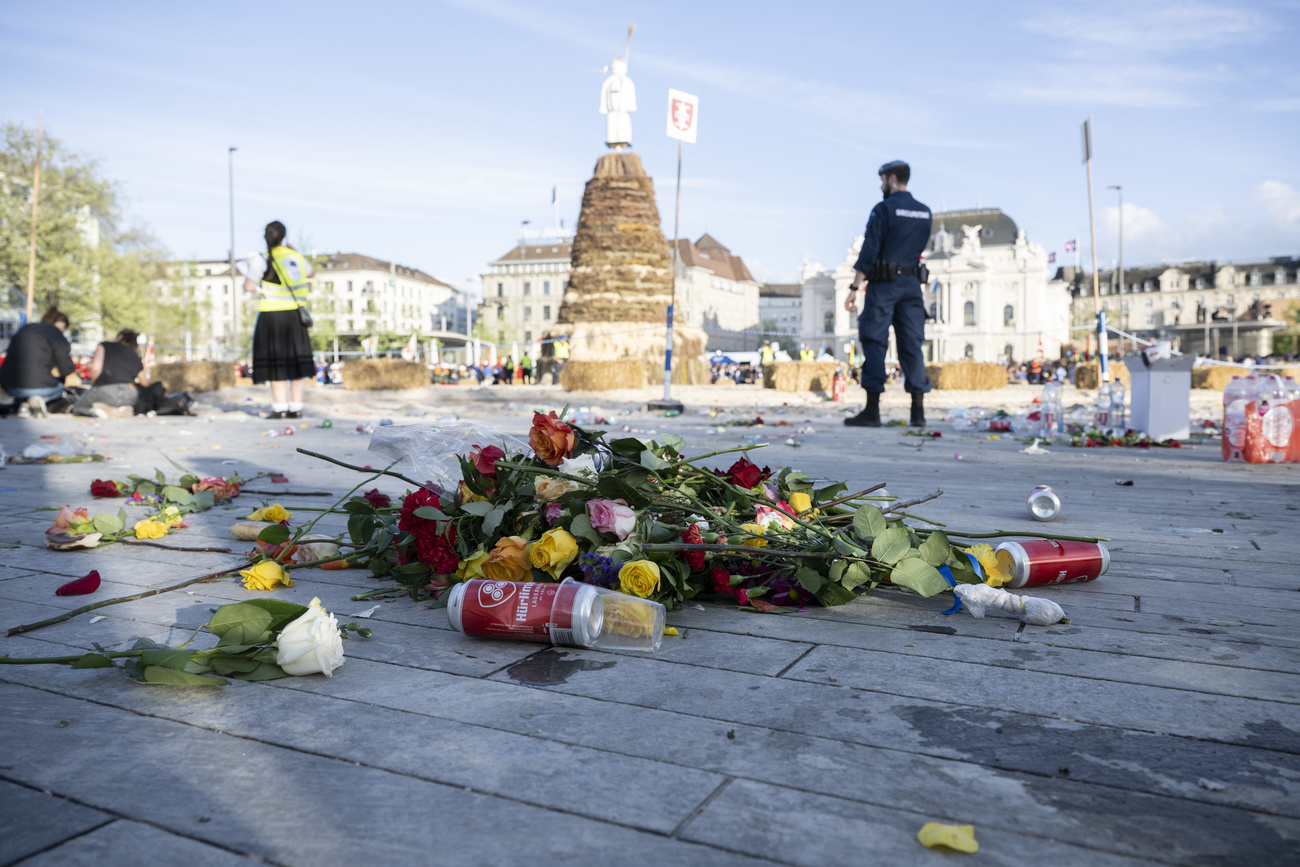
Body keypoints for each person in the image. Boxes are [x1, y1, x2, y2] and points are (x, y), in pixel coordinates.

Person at [844, 160, 932, 427]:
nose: (881, 185)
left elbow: (870, 250)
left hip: (883, 286)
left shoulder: (883, 209)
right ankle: (918, 414)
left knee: (874, 342)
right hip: (911, 286)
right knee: (912, 346)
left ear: (892, 179)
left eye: (882, 179)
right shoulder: (924, 212)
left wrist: (854, 287)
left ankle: (872, 412)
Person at [243, 220, 315, 419]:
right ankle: (296, 407)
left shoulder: (263, 259)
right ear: (284, 237)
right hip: (295, 317)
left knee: (276, 363)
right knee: (297, 362)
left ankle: (279, 407)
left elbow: (248, 286)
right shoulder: (296, 257)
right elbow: (312, 272)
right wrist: (295, 251)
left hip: (271, 316)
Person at [1, 306, 75, 417]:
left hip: (9, 387)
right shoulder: (56, 334)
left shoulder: (25, 329)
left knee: (27, 390)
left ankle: (24, 404)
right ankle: (39, 399)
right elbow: (66, 369)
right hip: (41, 388)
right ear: (62, 323)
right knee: (59, 388)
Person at [72, 329, 148, 417]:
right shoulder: (134, 354)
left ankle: (101, 410)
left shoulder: (104, 346)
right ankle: (124, 408)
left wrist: (93, 385)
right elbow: (145, 382)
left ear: (120, 337)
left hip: (106, 390)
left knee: (78, 407)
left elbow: (96, 369)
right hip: (130, 393)